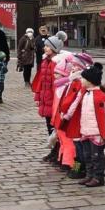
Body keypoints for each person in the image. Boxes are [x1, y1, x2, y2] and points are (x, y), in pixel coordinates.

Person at [59, 63, 105, 187]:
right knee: (87, 155)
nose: (81, 80)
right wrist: (67, 116)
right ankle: (89, 175)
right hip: (84, 130)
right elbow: (74, 105)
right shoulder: (83, 93)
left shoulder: (101, 96)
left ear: (90, 81)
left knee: (96, 156)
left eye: (83, 78)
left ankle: (98, 177)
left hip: (96, 132)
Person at [32, 31, 67, 162]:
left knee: (56, 128)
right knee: (50, 127)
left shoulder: (56, 63)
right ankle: (55, 151)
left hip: (54, 101)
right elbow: (41, 81)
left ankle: (59, 152)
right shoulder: (45, 61)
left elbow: (57, 85)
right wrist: (38, 96)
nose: (44, 48)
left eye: (47, 46)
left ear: (54, 48)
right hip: (46, 100)